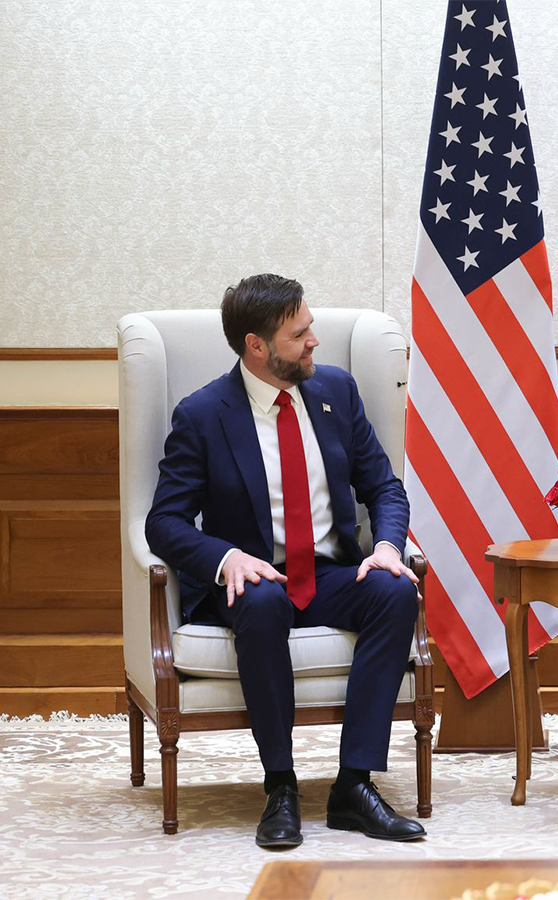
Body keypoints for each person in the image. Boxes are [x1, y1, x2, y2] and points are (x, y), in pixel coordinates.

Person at [145, 274, 425, 848]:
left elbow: (385, 489)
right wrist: (225, 557)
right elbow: (163, 522)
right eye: (299, 335)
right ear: (257, 346)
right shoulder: (203, 415)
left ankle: (354, 787)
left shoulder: (337, 394)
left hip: (327, 572)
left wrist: (388, 548)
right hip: (254, 580)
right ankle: (281, 788)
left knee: (396, 591)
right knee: (264, 598)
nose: (315, 342)